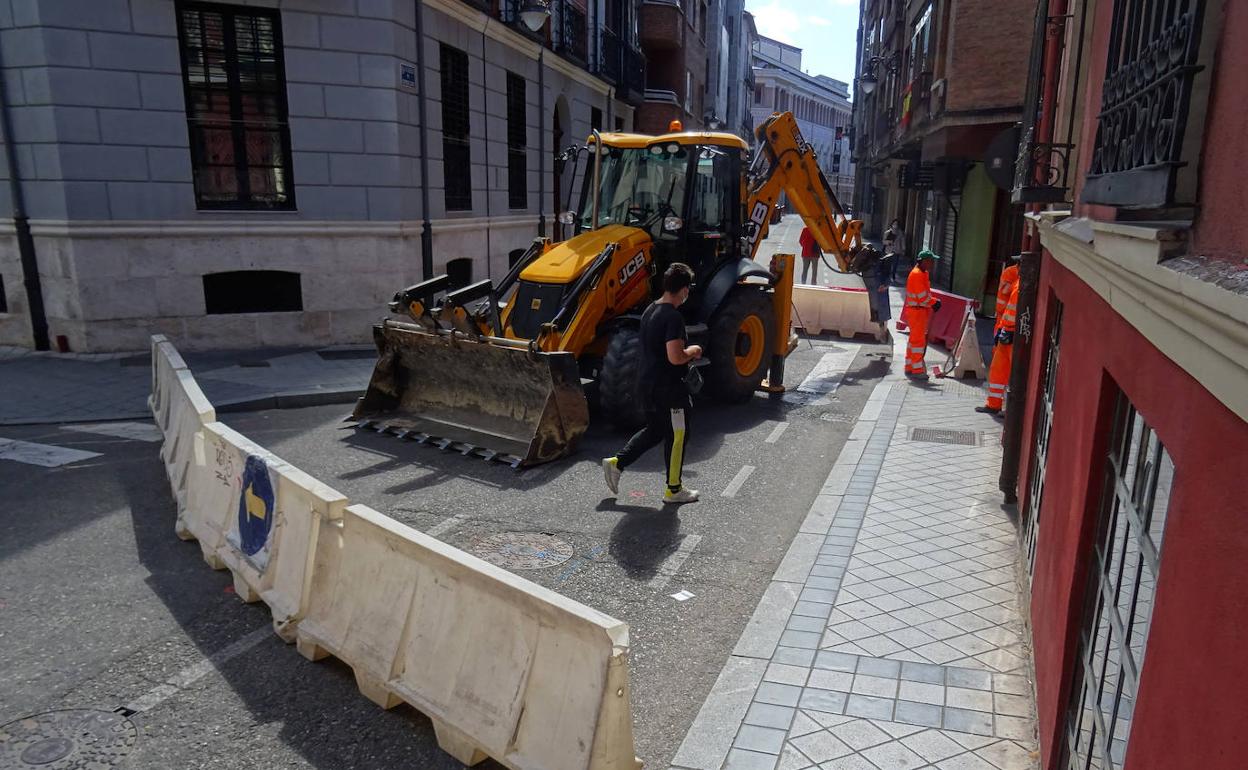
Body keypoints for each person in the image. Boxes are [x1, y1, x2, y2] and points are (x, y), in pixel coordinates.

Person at [602, 263, 702, 504]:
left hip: (647, 385)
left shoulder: (650, 310)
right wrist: (694, 350)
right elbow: (675, 356)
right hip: (670, 391)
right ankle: (674, 489)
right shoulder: (673, 317)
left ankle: (617, 463)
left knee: (656, 430)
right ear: (684, 290)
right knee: (679, 435)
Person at [977, 262, 1020, 415]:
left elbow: (1012, 310)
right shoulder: (1016, 282)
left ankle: (1008, 408)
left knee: (1012, 373)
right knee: (997, 369)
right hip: (1005, 330)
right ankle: (993, 404)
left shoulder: (1020, 285)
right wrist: (1002, 328)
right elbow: (1008, 309)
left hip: (1014, 334)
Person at [902, 249, 941, 380]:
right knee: (918, 342)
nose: (932, 264)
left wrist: (933, 301)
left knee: (913, 341)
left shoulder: (922, 273)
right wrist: (934, 302)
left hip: (918, 311)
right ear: (924, 261)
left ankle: (909, 366)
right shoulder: (917, 274)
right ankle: (917, 370)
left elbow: (925, 294)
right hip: (917, 311)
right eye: (931, 261)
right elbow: (922, 297)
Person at [852, 244, 893, 341]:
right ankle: (882, 333)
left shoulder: (872, 265)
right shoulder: (876, 265)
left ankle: (882, 332)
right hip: (877, 283)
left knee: (878, 307)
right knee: (880, 308)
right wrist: (886, 283)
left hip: (875, 282)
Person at [884, 219, 908, 283]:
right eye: (894, 224)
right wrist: (889, 242)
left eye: (896, 224)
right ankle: (887, 275)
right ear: (892, 224)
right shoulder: (887, 232)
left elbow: (903, 242)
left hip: (897, 251)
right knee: (888, 264)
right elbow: (884, 241)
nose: (895, 225)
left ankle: (893, 276)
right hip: (889, 251)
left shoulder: (900, 233)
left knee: (895, 264)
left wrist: (903, 249)